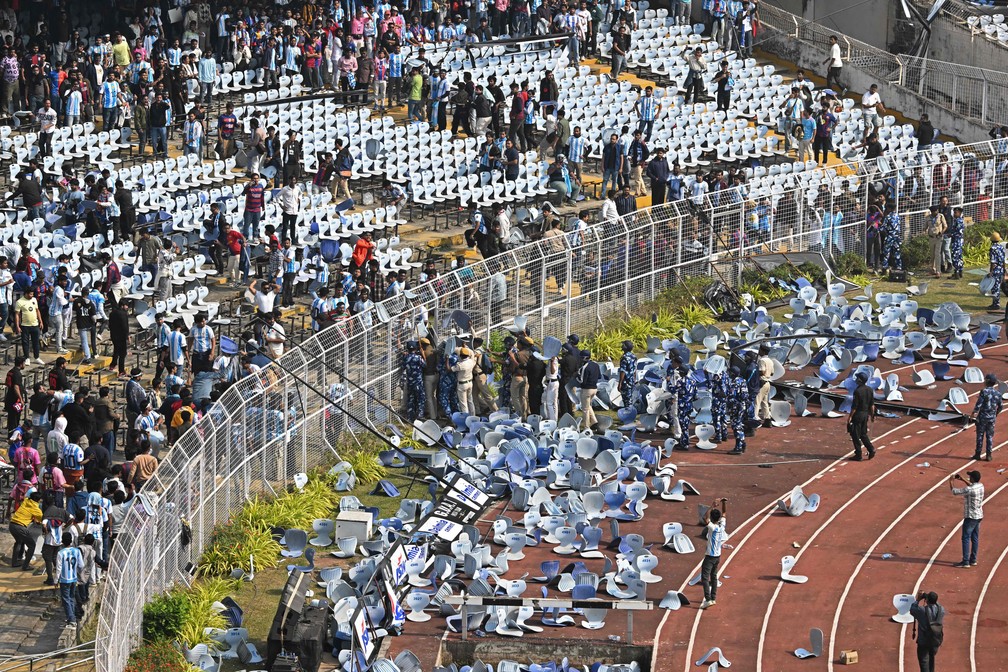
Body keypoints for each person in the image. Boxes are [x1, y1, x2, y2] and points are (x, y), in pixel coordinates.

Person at [950, 469, 984, 568]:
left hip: (970, 517)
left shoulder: (970, 490)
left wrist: (951, 481)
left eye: (970, 477)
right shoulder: (981, 486)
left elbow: (955, 492)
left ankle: (965, 562)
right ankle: (973, 559)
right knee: (975, 538)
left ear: (973, 478)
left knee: (965, 538)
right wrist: (963, 479)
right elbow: (972, 486)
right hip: (979, 516)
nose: (969, 478)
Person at [700, 497, 728, 609]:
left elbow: (705, 517)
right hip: (718, 556)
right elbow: (725, 513)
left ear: (712, 518)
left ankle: (708, 599)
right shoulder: (722, 525)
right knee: (714, 577)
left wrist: (712, 505)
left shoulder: (712, 527)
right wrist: (724, 503)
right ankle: (713, 598)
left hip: (710, 557)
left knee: (705, 578)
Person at [910, 591, 944, 672]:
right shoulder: (941, 610)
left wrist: (918, 599)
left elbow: (912, 609)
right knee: (931, 660)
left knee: (924, 662)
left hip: (923, 641)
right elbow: (937, 604)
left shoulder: (922, 611)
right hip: (936, 640)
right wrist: (929, 598)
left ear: (927, 600)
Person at [9, 491, 43, 570]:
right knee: (32, 545)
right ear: (38, 500)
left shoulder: (26, 500)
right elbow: (42, 519)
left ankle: (14, 562)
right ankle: (25, 566)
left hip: (12, 525)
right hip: (20, 527)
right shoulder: (36, 509)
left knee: (18, 542)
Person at [55, 531, 83, 625]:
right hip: (74, 578)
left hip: (64, 579)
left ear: (62, 541)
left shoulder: (60, 553)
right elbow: (81, 565)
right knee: (71, 597)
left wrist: (56, 580)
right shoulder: (77, 551)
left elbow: (58, 568)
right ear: (71, 541)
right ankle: (71, 616)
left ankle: (71, 619)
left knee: (66, 599)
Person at [848, 371, 876, 460]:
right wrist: (872, 415)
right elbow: (872, 404)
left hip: (858, 414)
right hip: (865, 415)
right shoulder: (870, 390)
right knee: (863, 433)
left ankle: (858, 454)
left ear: (860, 380)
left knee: (855, 434)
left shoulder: (857, 391)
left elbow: (854, 406)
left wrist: (850, 417)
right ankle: (871, 449)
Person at [727, 366, 750, 454]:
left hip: (736, 407)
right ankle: (742, 443)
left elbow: (732, 396)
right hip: (742, 406)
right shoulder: (742, 380)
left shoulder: (734, 383)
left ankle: (738, 447)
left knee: (736, 426)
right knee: (739, 425)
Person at [578, 349, 601, 431]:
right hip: (594, 389)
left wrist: (576, 377)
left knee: (585, 409)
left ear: (584, 358)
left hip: (587, 389)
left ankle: (586, 427)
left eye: (581, 358)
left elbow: (581, 381)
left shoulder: (584, 367)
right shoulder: (596, 365)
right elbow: (599, 376)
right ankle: (594, 422)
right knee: (588, 406)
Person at [988, 231, 1005, 310]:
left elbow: (993, 261)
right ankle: (996, 303)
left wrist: (990, 272)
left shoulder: (992, 248)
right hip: (1001, 268)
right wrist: (1004, 269)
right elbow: (1003, 259)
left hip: (995, 269)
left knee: (994, 287)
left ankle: (995, 304)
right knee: (998, 286)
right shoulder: (1001, 247)